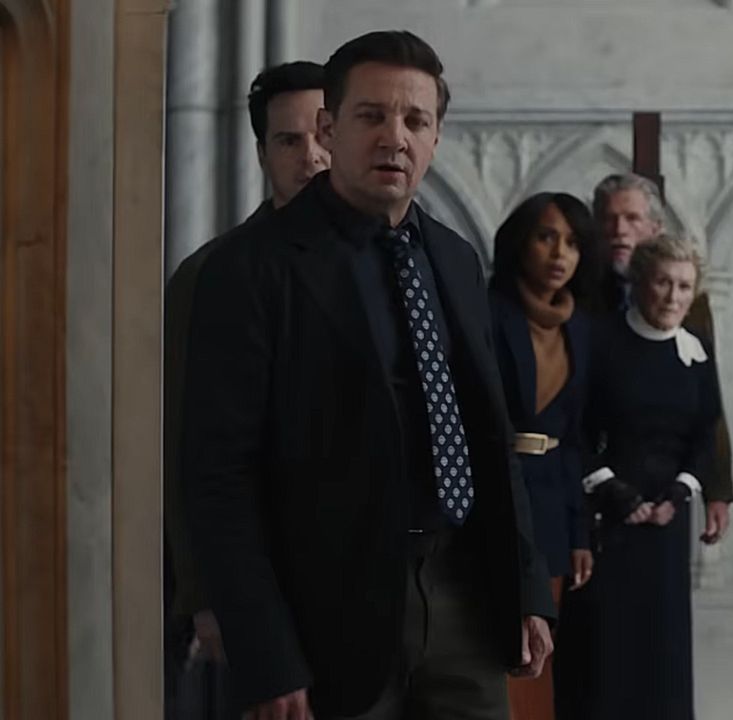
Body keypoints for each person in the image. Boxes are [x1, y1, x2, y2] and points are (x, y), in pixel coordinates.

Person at [181, 31, 554, 720]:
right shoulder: (250, 268)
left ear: (436, 137)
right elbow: (218, 476)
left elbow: (488, 437)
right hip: (324, 615)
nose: (395, 137)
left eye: (415, 120)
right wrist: (264, 650)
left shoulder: (455, 259)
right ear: (330, 129)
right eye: (371, 116)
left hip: (464, 597)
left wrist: (527, 588)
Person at [163, 59, 329, 718]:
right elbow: (186, 447)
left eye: (322, 134)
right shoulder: (211, 274)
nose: (310, 156)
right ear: (262, 155)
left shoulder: (393, 259)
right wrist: (205, 596)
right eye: (289, 141)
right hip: (259, 576)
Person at [557, 234, 721, 720]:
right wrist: (616, 492)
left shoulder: (696, 350)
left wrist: (679, 493)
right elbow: (576, 429)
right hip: (609, 519)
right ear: (639, 281)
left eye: (684, 286)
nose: (673, 297)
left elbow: (705, 433)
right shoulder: (599, 341)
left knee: (663, 649)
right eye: (663, 283)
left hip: (668, 521)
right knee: (610, 650)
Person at [487, 192, 600, 720]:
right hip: (493, 497)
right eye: (546, 237)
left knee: (540, 652)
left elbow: (576, 438)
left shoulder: (581, 327)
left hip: (552, 505)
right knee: (493, 650)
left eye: (573, 243)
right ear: (520, 242)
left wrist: (579, 533)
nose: (560, 254)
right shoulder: (487, 311)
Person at [591, 172, 733, 543]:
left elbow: (709, 410)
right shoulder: (581, 294)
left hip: (666, 487)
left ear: (655, 227)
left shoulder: (691, 303)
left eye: (632, 219)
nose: (620, 231)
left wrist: (717, 489)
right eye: (609, 219)